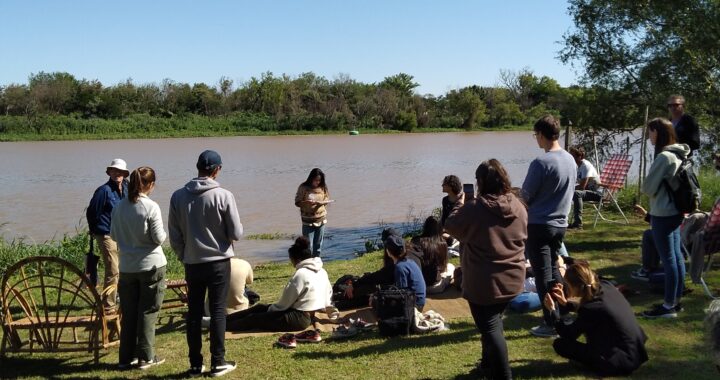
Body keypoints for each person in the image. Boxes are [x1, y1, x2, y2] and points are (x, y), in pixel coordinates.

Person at [445, 159, 527, 380]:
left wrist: (460, 203)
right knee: (493, 322)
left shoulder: (475, 208)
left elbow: (450, 226)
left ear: (480, 182)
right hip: (513, 278)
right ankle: (487, 366)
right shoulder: (518, 205)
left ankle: (503, 375)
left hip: (485, 283)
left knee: (490, 328)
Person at [168, 150, 243, 377]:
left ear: (198, 167)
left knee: (194, 313)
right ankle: (218, 362)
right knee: (218, 311)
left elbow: (174, 235)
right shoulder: (223, 195)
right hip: (219, 262)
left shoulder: (178, 196)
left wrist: (184, 255)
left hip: (192, 262)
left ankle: (195, 364)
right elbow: (237, 233)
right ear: (217, 170)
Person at [521, 115, 577, 337]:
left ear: (542, 135)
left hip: (539, 225)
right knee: (553, 268)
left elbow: (526, 195)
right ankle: (564, 310)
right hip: (560, 224)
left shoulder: (541, 163)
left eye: (535, 135)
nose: (536, 139)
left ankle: (550, 322)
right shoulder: (570, 159)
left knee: (543, 273)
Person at [544, 262, 648, 376]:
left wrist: (553, 311)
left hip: (619, 362)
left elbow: (568, 334)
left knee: (561, 344)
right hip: (637, 352)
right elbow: (596, 309)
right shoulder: (607, 286)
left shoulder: (590, 309)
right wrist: (565, 303)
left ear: (575, 287)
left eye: (567, 285)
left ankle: (598, 364)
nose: (566, 288)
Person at [110, 166, 167, 370]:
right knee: (148, 311)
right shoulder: (151, 207)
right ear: (150, 184)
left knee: (129, 312)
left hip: (127, 267)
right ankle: (146, 357)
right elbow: (159, 238)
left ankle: (126, 358)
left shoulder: (118, 207)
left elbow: (114, 235)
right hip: (151, 264)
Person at [226, 236, 332, 332]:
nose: (292, 264)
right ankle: (223, 320)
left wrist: (269, 312)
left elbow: (284, 304)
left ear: (297, 260)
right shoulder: (322, 271)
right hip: (306, 313)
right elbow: (328, 295)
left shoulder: (300, 274)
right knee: (260, 308)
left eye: (292, 261)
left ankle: (221, 326)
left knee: (255, 318)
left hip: (300, 318)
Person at [640, 118, 690, 318]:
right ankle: (675, 301)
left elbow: (648, 188)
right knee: (676, 258)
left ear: (658, 133)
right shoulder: (680, 153)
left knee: (669, 259)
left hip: (663, 212)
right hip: (676, 211)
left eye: (650, 132)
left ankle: (668, 306)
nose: (649, 136)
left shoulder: (664, 157)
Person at [86, 158, 130, 313]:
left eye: (120, 171)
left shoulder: (127, 187)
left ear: (125, 174)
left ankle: (118, 296)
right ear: (109, 172)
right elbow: (92, 212)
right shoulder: (103, 191)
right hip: (105, 233)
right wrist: (94, 230)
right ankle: (108, 306)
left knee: (123, 266)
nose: (117, 173)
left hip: (122, 233)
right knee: (113, 269)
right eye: (114, 170)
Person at [410, 216, 454, 294]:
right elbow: (443, 268)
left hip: (417, 286)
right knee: (451, 267)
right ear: (440, 228)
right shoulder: (442, 244)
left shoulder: (415, 240)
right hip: (434, 287)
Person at [295, 168, 332, 257]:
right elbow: (297, 202)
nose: (317, 182)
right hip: (307, 221)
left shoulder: (323, 187)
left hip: (321, 219)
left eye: (319, 180)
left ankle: (317, 263)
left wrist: (323, 203)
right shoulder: (303, 187)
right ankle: (308, 264)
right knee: (308, 246)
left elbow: (327, 198)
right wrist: (306, 203)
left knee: (318, 245)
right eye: (316, 180)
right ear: (311, 178)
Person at [384, 235, 426, 311]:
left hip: (415, 306)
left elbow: (401, 294)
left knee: (377, 302)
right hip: (419, 301)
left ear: (388, 252)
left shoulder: (400, 267)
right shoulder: (409, 261)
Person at [568, 146, 602, 229]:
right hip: (587, 191)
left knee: (576, 193)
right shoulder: (576, 166)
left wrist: (568, 189)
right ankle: (563, 221)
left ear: (580, 157)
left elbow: (582, 187)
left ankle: (578, 224)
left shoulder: (585, 166)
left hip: (597, 193)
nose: (570, 158)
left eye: (572, 156)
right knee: (566, 191)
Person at [440, 175, 464, 247]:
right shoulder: (445, 200)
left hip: (461, 228)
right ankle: (451, 239)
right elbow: (444, 218)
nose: (442, 185)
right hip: (449, 228)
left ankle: (453, 239)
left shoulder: (462, 199)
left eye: (444, 184)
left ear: (450, 186)